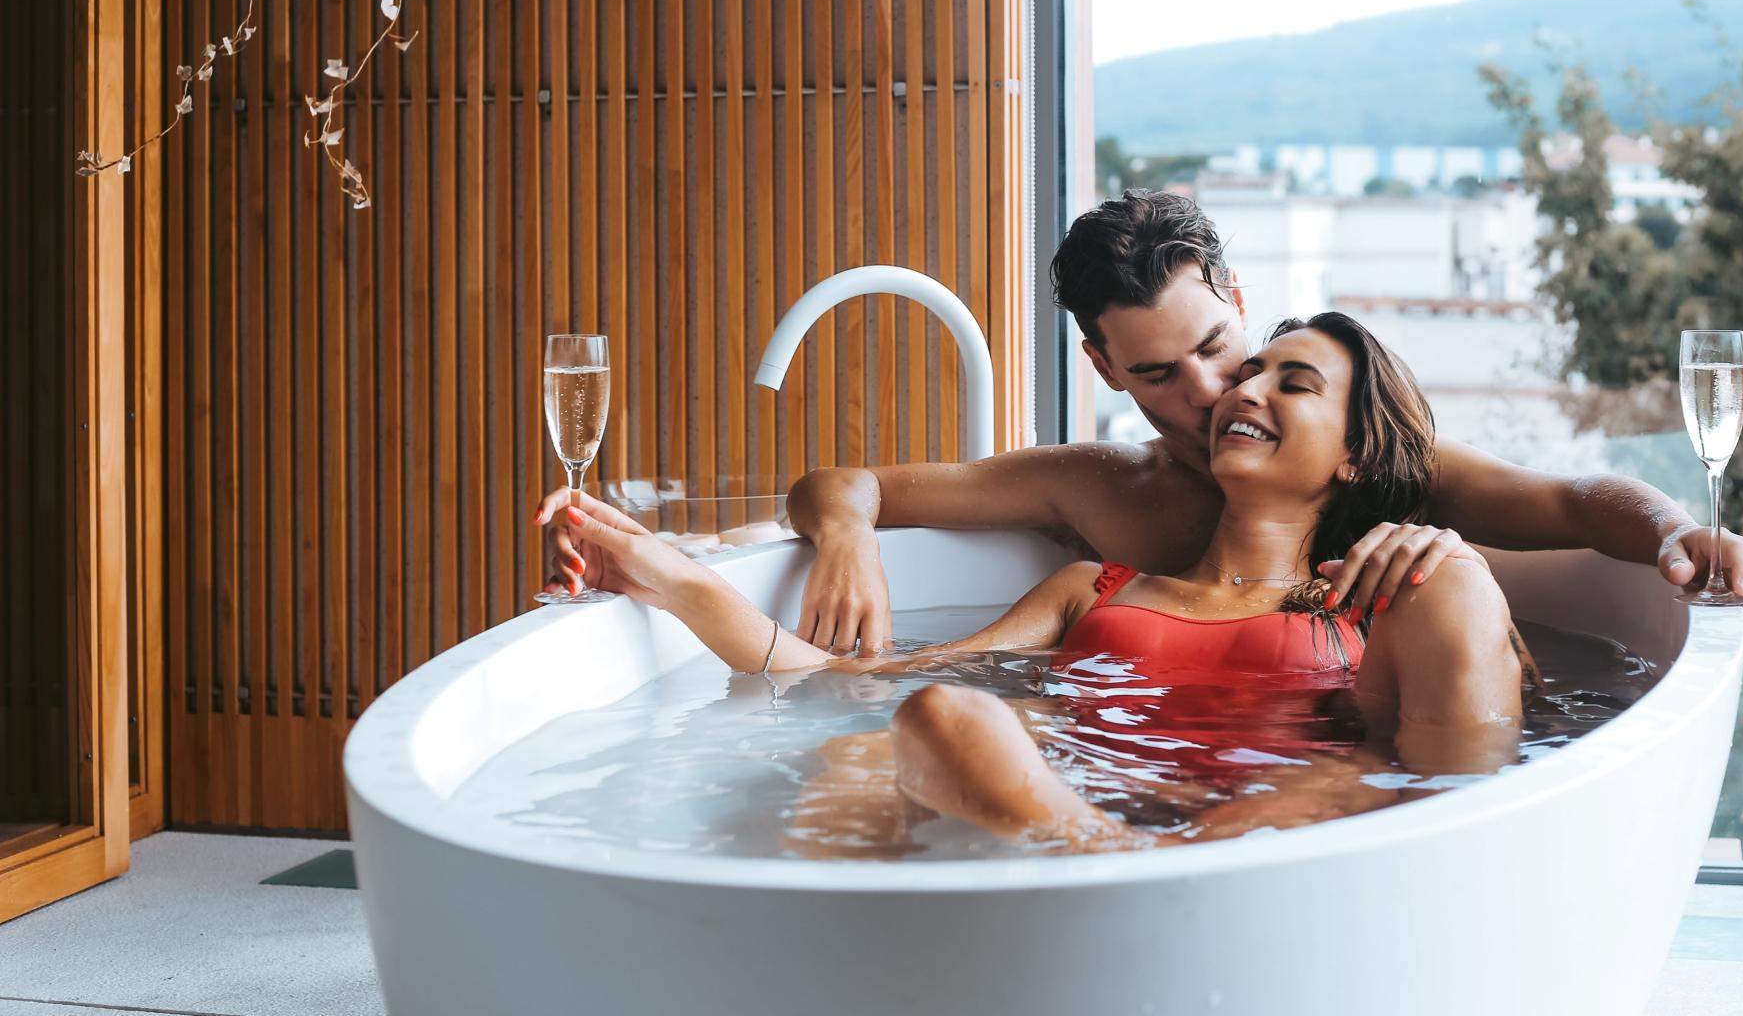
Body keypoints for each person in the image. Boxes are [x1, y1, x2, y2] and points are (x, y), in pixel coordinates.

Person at [534, 314, 1526, 853]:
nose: (1244, 390)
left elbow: (1443, 788)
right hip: (1077, 808)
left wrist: (1467, 561)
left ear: (1354, 456)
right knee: (928, 716)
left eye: (1293, 384)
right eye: (1251, 369)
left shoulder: (1379, 597)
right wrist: (670, 575)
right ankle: (1097, 868)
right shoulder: (1093, 585)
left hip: (1266, 834)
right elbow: (846, 682)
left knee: (1342, 778)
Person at [781, 190, 1743, 653]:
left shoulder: (1358, 451)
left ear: (1238, 291)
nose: (1214, 389)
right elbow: (844, 483)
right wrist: (843, 534)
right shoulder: (1097, 488)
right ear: (1103, 367)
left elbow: (1572, 498)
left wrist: (1679, 534)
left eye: (1221, 342)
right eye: (1161, 373)